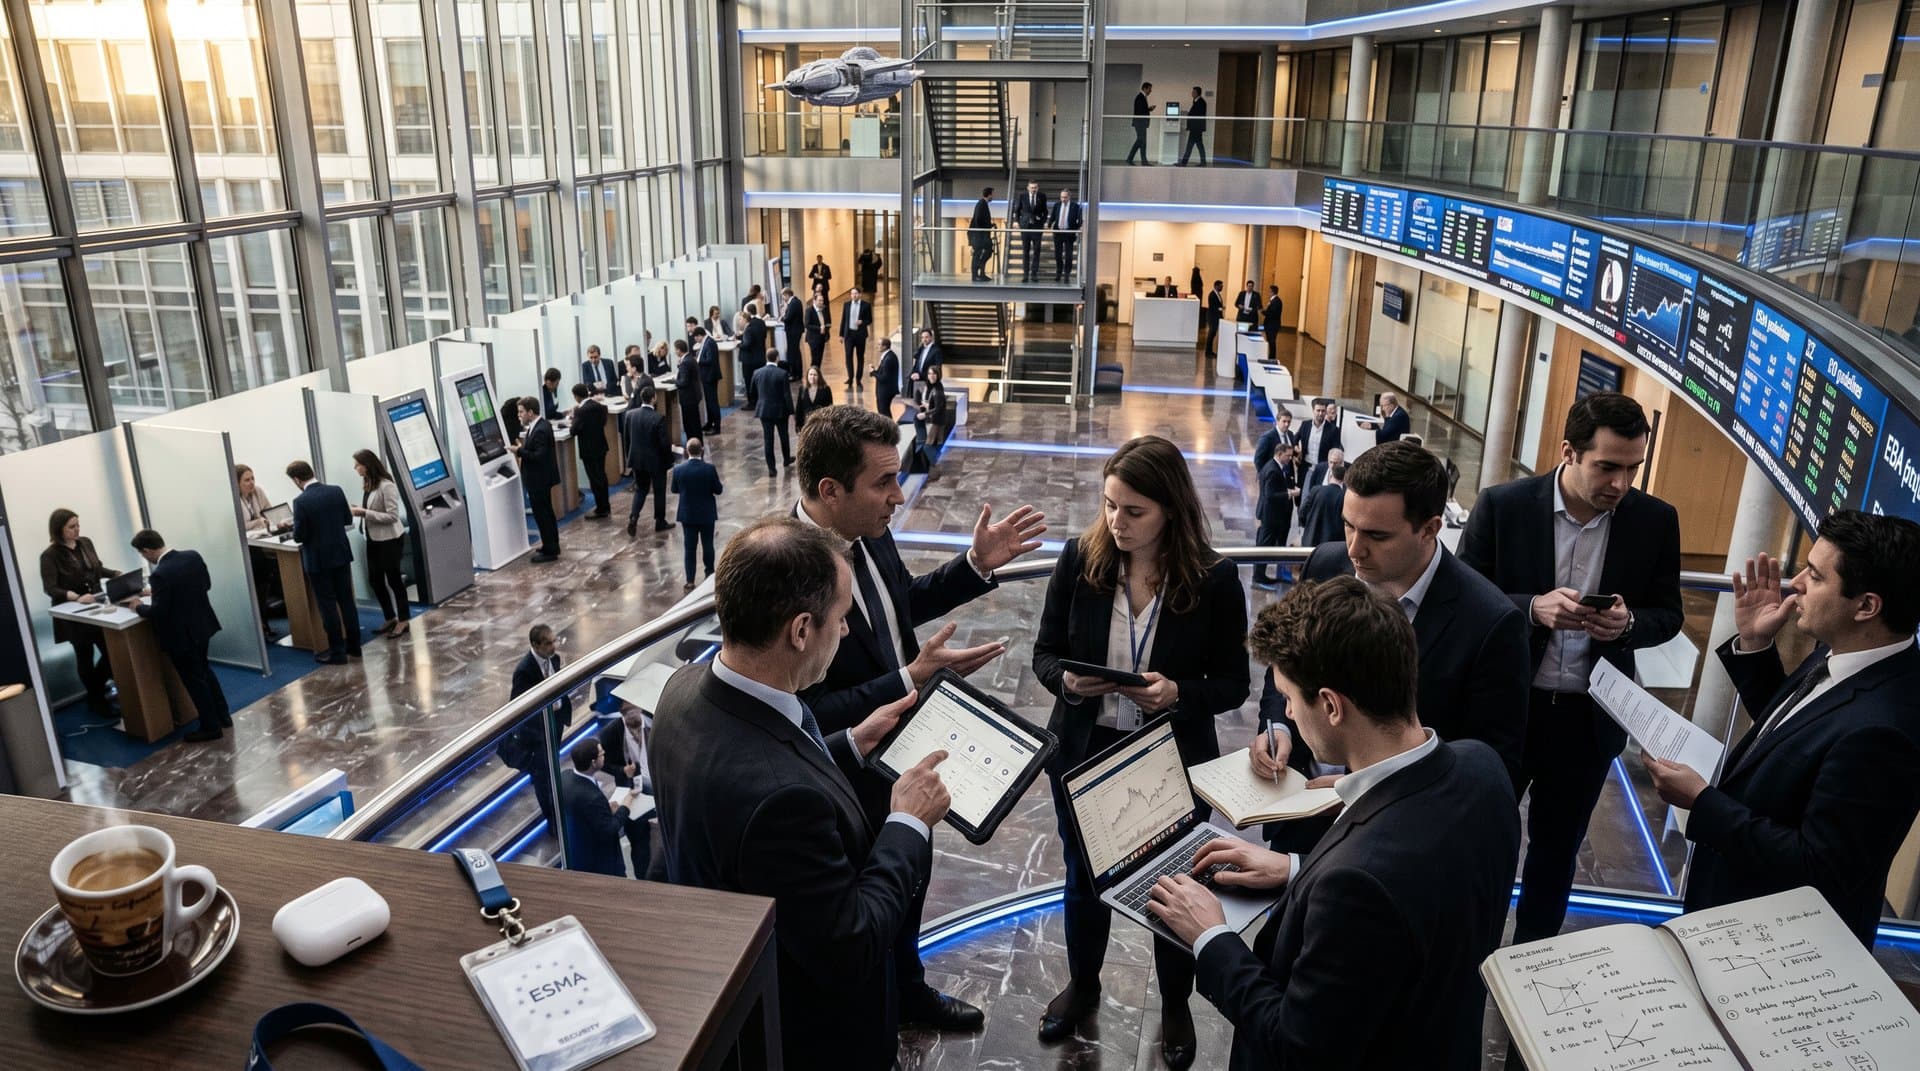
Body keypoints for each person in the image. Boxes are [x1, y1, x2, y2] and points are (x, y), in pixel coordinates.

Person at [1147, 577, 1520, 1071]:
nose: (1287, 713)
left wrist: (1210, 936)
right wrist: (1297, 869)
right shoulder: (1483, 768)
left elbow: (1296, 1047)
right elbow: (1414, 898)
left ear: (1330, 705)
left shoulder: (1357, 884)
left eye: (1289, 699)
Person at [650, 517, 954, 1070]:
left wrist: (849, 745)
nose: (846, 632)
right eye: (841, 618)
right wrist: (907, 822)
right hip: (812, 1037)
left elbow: (757, 761)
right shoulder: (782, 804)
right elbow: (851, 944)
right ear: (800, 631)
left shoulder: (682, 689)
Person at [794, 404, 1047, 1036]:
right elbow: (804, 714)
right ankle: (875, 1017)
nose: (898, 496)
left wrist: (974, 565)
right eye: (883, 482)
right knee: (869, 900)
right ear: (830, 491)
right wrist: (908, 678)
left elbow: (898, 602)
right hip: (847, 774)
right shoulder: (788, 570)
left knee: (910, 877)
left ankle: (907, 990)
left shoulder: (868, 528)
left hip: (907, 748)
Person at [1030, 436, 1250, 1066]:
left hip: (1168, 759)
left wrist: (1179, 693)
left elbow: (1233, 684)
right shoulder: (1081, 559)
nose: (1116, 523)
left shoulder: (1213, 579)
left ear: (1170, 510)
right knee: (1082, 879)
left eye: (1133, 511)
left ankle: (1175, 1004)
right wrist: (1066, 682)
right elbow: (1045, 653)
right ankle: (1084, 985)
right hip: (1086, 752)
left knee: (1173, 884)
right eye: (1108, 505)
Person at [1458, 390, 1683, 945]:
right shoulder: (1503, 506)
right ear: (1568, 452)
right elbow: (1462, 596)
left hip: (1587, 722)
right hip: (1508, 711)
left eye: (1633, 469)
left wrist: (1629, 624)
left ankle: (1531, 964)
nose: (1621, 484)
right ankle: (1466, 952)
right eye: (1607, 467)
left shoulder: (1655, 521)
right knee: (1478, 842)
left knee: (1557, 856)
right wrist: (1532, 608)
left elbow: (1669, 614)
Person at [1646, 515, 1920, 947]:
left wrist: (1702, 802)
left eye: (1816, 575)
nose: (1797, 584)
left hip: (1776, 947)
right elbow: (1800, 735)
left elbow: (1818, 866)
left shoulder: (1886, 731)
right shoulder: (1847, 647)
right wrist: (1756, 645)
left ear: (1866, 607)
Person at [1256, 441, 1532, 807]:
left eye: (1376, 535)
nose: (1354, 549)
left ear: (1430, 529)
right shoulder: (1325, 563)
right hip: (1297, 802)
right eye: (1348, 525)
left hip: (1402, 821)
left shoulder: (1492, 623)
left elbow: (1490, 769)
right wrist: (1277, 725)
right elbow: (1287, 662)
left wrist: (1371, 789)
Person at [127, 530, 231, 743]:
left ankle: (210, 727)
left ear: (147, 550)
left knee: (194, 680)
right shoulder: (192, 556)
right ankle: (223, 716)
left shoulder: (160, 574)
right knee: (205, 671)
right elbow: (205, 585)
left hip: (182, 636)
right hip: (202, 626)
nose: (144, 557)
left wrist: (137, 606)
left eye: (142, 553)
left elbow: (158, 611)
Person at [40, 509, 120, 715]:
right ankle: (97, 700)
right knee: (84, 655)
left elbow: (97, 569)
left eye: (78, 525)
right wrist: (75, 597)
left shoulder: (85, 543)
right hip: (73, 613)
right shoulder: (50, 555)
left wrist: (115, 574)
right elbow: (50, 588)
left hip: (95, 605)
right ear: (59, 529)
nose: (77, 530)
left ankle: (95, 693)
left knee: (111, 652)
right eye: (71, 527)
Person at [286, 460, 362, 661]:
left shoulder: (300, 502)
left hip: (318, 560)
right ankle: (355, 647)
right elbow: (347, 519)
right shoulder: (336, 491)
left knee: (327, 606)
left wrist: (294, 527)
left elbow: (299, 536)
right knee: (346, 601)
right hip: (340, 554)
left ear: (297, 479)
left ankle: (337, 652)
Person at [504, 623, 572, 835]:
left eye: (554, 641)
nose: (554, 646)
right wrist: (534, 733)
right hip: (539, 731)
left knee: (551, 765)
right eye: (548, 643)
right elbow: (518, 705)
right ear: (535, 645)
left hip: (556, 722)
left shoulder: (554, 659)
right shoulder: (524, 671)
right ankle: (553, 821)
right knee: (544, 777)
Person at [349, 449, 412, 640]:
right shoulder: (368, 483)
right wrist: (360, 509)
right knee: (375, 580)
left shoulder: (387, 485)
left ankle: (404, 620)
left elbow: (392, 516)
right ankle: (390, 617)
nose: (355, 468)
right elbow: (372, 508)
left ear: (367, 465)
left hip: (390, 539)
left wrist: (364, 513)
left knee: (393, 579)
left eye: (358, 465)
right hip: (373, 538)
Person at [557, 738, 634, 878]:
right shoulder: (592, 798)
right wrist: (625, 806)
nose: (604, 756)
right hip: (602, 864)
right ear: (593, 762)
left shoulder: (564, 776)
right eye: (601, 754)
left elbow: (585, 812)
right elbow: (610, 829)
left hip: (580, 850)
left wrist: (604, 810)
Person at [598, 703, 654, 878]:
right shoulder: (610, 733)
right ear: (622, 715)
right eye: (628, 716)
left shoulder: (655, 721)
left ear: (640, 709)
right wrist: (621, 770)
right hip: (632, 791)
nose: (633, 718)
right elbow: (604, 763)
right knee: (639, 840)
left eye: (635, 713)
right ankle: (643, 879)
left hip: (659, 784)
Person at [234, 463, 284, 639]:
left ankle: (264, 620)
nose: (251, 483)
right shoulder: (232, 499)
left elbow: (270, 513)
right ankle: (259, 624)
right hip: (243, 548)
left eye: (252, 478)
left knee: (265, 578)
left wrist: (267, 521)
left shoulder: (258, 492)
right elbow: (238, 525)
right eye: (246, 480)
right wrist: (257, 522)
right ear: (237, 483)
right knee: (256, 579)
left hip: (260, 542)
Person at [670, 437, 723, 591]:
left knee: (689, 548)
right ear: (702, 451)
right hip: (706, 514)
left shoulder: (679, 470)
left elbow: (674, 489)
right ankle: (709, 574)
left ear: (687, 452)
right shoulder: (709, 469)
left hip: (688, 515)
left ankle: (690, 580)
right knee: (708, 545)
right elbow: (718, 490)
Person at [513, 398, 561, 562]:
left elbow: (539, 456)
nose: (519, 415)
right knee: (545, 513)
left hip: (539, 479)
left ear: (530, 412)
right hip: (541, 478)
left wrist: (519, 451)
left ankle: (550, 550)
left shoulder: (540, 429)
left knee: (543, 515)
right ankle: (550, 545)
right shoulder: (540, 425)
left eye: (521, 412)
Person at [621, 385, 673, 537]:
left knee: (641, 489)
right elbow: (664, 444)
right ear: (654, 398)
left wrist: (629, 457)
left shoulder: (630, 415)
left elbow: (627, 439)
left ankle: (634, 516)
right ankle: (660, 521)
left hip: (637, 460)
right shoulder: (658, 418)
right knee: (659, 491)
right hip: (656, 462)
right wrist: (669, 461)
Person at [1250, 441, 1297, 589]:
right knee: (1263, 546)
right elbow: (1270, 495)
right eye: (1288, 456)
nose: (1290, 459)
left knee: (1265, 545)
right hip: (1270, 515)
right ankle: (1258, 578)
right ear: (1279, 454)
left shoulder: (1274, 466)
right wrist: (1290, 493)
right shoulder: (1273, 470)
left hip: (1271, 515)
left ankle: (1261, 576)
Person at [566, 385, 612, 521]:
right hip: (601, 446)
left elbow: (573, 431)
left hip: (589, 450)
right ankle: (605, 506)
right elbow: (603, 422)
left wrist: (573, 420)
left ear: (576, 396)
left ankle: (601, 509)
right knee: (602, 477)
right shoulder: (599, 406)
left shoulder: (581, 411)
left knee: (595, 479)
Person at [753, 354, 795, 478]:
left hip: (764, 410)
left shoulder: (757, 372)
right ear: (777, 358)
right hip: (780, 411)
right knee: (784, 436)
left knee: (768, 439)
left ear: (766, 358)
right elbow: (787, 395)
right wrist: (791, 411)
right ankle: (786, 459)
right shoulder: (782, 373)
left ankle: (771, 468)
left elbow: (752, 391)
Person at [1297, 461, 1346, 547]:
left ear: (1331, 475)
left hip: (1311, 539)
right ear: (1343, 479)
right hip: (1331, 544)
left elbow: (1302, 511)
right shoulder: (1344, 496)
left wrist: (1308, 525)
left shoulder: (1315, 490)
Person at [1012, 179, 1047, 283]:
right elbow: (1017, 210)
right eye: (1032, 188)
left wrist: (1043, 221)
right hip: (1025, 226)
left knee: (1036, 251)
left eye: (1035, 187)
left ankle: (1034, 274)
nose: (1033, 189)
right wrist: (1016, 221)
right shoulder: (1022, 196)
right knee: (1025, 251)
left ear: (1038, 188)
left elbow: (1045, 211)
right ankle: (1025, 274)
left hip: (1037, 227)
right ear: (1028, 188)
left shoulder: (1042, 196)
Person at [912, 365, 948, 463]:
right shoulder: (936, 387)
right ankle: (940, 464)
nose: (931, 376)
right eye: (929, 374)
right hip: (939, 419)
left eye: (934, 374)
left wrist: (925, 414)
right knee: (938, 444)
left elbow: (938, 408)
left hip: (936, 420)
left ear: (938, 375)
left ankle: (938, 464)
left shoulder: (938, 390)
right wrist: (927, 405)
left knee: (927, 446)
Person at [839, 287, 872, 388]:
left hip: (860, 335)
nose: (854, 295)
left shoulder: (866, 305)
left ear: (860, 294)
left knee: (860, 357)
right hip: (849, 335)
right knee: (848, 356)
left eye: (856, 293)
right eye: (852, 294)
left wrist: (862, 322)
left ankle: (858, 379)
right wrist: (841, 334)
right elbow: (843, 320)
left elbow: (869, 320)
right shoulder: (847, 305)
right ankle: (850, 377)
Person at [671, 338, 702, 439]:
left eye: (675, 349)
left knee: (689, 423)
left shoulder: (685, 362)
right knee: (695, 422)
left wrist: (673, 381)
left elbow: (683, 382)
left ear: (679, 350)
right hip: (694, 395)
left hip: (688, 398)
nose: (675, 352)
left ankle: (692, 442)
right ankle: (698, 442)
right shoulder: (690, 359)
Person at [1050, 188, 1082, 282]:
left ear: (1069, 197)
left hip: (1069, 234)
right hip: (1058, 233)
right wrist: (1049, 224)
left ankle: (1067, 275)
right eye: (1061, 197)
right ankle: (1059, 274)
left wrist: (1075, 229)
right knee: (1058, 255)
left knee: (1069, 256)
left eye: (1065, 197)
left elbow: (1079, 220)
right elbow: (1052, 217)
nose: (1063, 199)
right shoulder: (1057, 205)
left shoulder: (1075, 206)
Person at [694, 327, 722, 434]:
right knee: (709, 402)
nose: (696, 340)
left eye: (696, 337)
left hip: (710, 376)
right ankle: (710, 423)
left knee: (712, 402)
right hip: (707, 376)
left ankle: (716, 426)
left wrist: (698, 361)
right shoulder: (707, 342)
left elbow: (710, 360)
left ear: (699, 335)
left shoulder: (709, 343)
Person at [1301, 396, 1343, 465]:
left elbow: (1335, 450)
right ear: (1313, 410)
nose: (1320, 413)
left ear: (1326, 412)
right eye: (1318, 410)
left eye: (1323, 411)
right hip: (1305, 465)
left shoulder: (1334, 430)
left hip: (1322, 466)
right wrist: (1296, 448)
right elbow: (1295, 439)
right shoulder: (1305, 425)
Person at [968, 186, 996, 282]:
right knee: (978, 254)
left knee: (987, 251)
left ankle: (981, 273)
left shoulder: (983, 204)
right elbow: (978, 219)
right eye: (992, 194)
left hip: (982, 234)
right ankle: (975, 275)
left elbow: (982, 220)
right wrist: (985, 228)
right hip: (979, 235)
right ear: (989, 195)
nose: (993, 196)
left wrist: (990, 225)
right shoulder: (981, 204)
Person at [794, 364, 833, 429]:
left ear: (819, 376)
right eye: (810, 374)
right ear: (807, 376)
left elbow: (830, 407)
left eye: (815, 375)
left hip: (821, 424)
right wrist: (798, 424)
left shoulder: (826, 389)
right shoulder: (802, 389)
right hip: (806, 423)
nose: (812, 377)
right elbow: (799, 407)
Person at [1179, 85, 1208, 166]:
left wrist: (1190, 118)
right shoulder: (1196, 101)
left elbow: (1198, 115)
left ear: (1197, 93)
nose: (1192, 93)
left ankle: (1184, 163)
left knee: (1190, 145)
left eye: (1193, 92)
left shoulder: (1201, 102)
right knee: (1198, 145)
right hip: (1195, 128)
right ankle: (1203, 162)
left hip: (1196, 128)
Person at [871, 337, 900, 418]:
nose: (877, 346)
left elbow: (884, 378)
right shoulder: (888, 356)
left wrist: (873, 372)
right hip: (885, 390)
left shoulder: (889, 358)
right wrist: (875, 371)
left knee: (884, 412)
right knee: (883, 412)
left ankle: (889, 426)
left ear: (885, 346)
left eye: (879, 344)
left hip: (886, 391)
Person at [803, 291, 831, 371]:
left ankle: (817, 373)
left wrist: (826, 329)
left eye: (822, 300)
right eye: (819, 300)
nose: (821, 302)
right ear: (814, 301)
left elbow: (827, 321)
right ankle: (813, 373)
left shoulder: (824, 309)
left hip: (822, 337)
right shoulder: (809, 310)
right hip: (813, 338)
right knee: (815, 358)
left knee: (820, 358)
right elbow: (807, 325)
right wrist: (819, 328)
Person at [1127, 82, 1153, 165]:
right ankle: (1131, 159)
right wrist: (1148, 109)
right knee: (1141, 141)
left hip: (1141, 122)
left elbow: (1141, 110)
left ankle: (1143, 161)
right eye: (1149, 89)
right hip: (1140, 123)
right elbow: (1140, 111)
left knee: (1142, 141)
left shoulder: (1142, 97)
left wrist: (1148, 109)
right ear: (1145, 88)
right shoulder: (1140, 97)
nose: (1150, 91)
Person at [780, 286, 805, 364]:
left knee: (794, 350)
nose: (783, 298)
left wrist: (782, 318)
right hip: (795, 330)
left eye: (783, 296)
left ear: (787, 295)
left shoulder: (793, 303)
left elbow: (788, 318)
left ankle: (796, 369)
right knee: (795, 350)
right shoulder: (796, 301)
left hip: (794, 331)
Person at [1262, 285, 1285, 363]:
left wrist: (1263, 312)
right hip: (1271, 325)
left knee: (1272, 341)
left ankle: (1272, 357)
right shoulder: (1274, 301)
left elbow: (1272, 313)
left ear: (1272, 292)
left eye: (1269, 291)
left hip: (1272, 325)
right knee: (1270, 341)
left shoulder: (1276, 301)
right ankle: (1271, 356)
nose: (1268, 293)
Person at [1204, 280, 1226, 353]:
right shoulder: (1212, 295)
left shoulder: (1217, 294)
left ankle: (1210, 351)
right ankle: (1208, 351)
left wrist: (1221, 308)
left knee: (1213, 334)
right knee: (1211, 334)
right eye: (1221, 286)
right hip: (1212, 317)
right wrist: (1220, 308)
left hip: (1216, 316)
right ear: (1216, 286)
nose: (1222, 287)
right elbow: (1212, 306)